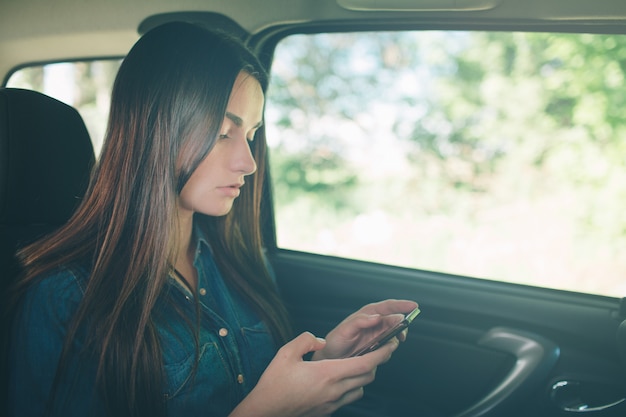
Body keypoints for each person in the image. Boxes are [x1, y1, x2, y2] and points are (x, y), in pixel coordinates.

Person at [7, 22, 418, 417]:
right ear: (156, 129)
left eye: (251, 134)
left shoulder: (236, 258)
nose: (249, 162)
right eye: (224, 133)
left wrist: (325, 363)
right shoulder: (66, 295)